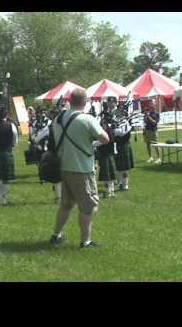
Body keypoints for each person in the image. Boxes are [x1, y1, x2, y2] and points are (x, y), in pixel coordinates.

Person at [48, 87, 109, 248]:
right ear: (86, 102)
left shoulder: (58, 119)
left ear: (69, 101)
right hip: (82, 168)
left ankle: (56, 235)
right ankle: (85, 241)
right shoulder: (87, 119)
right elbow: (105, 139)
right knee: (89, 206)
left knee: (66, 205)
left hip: (64, 167)